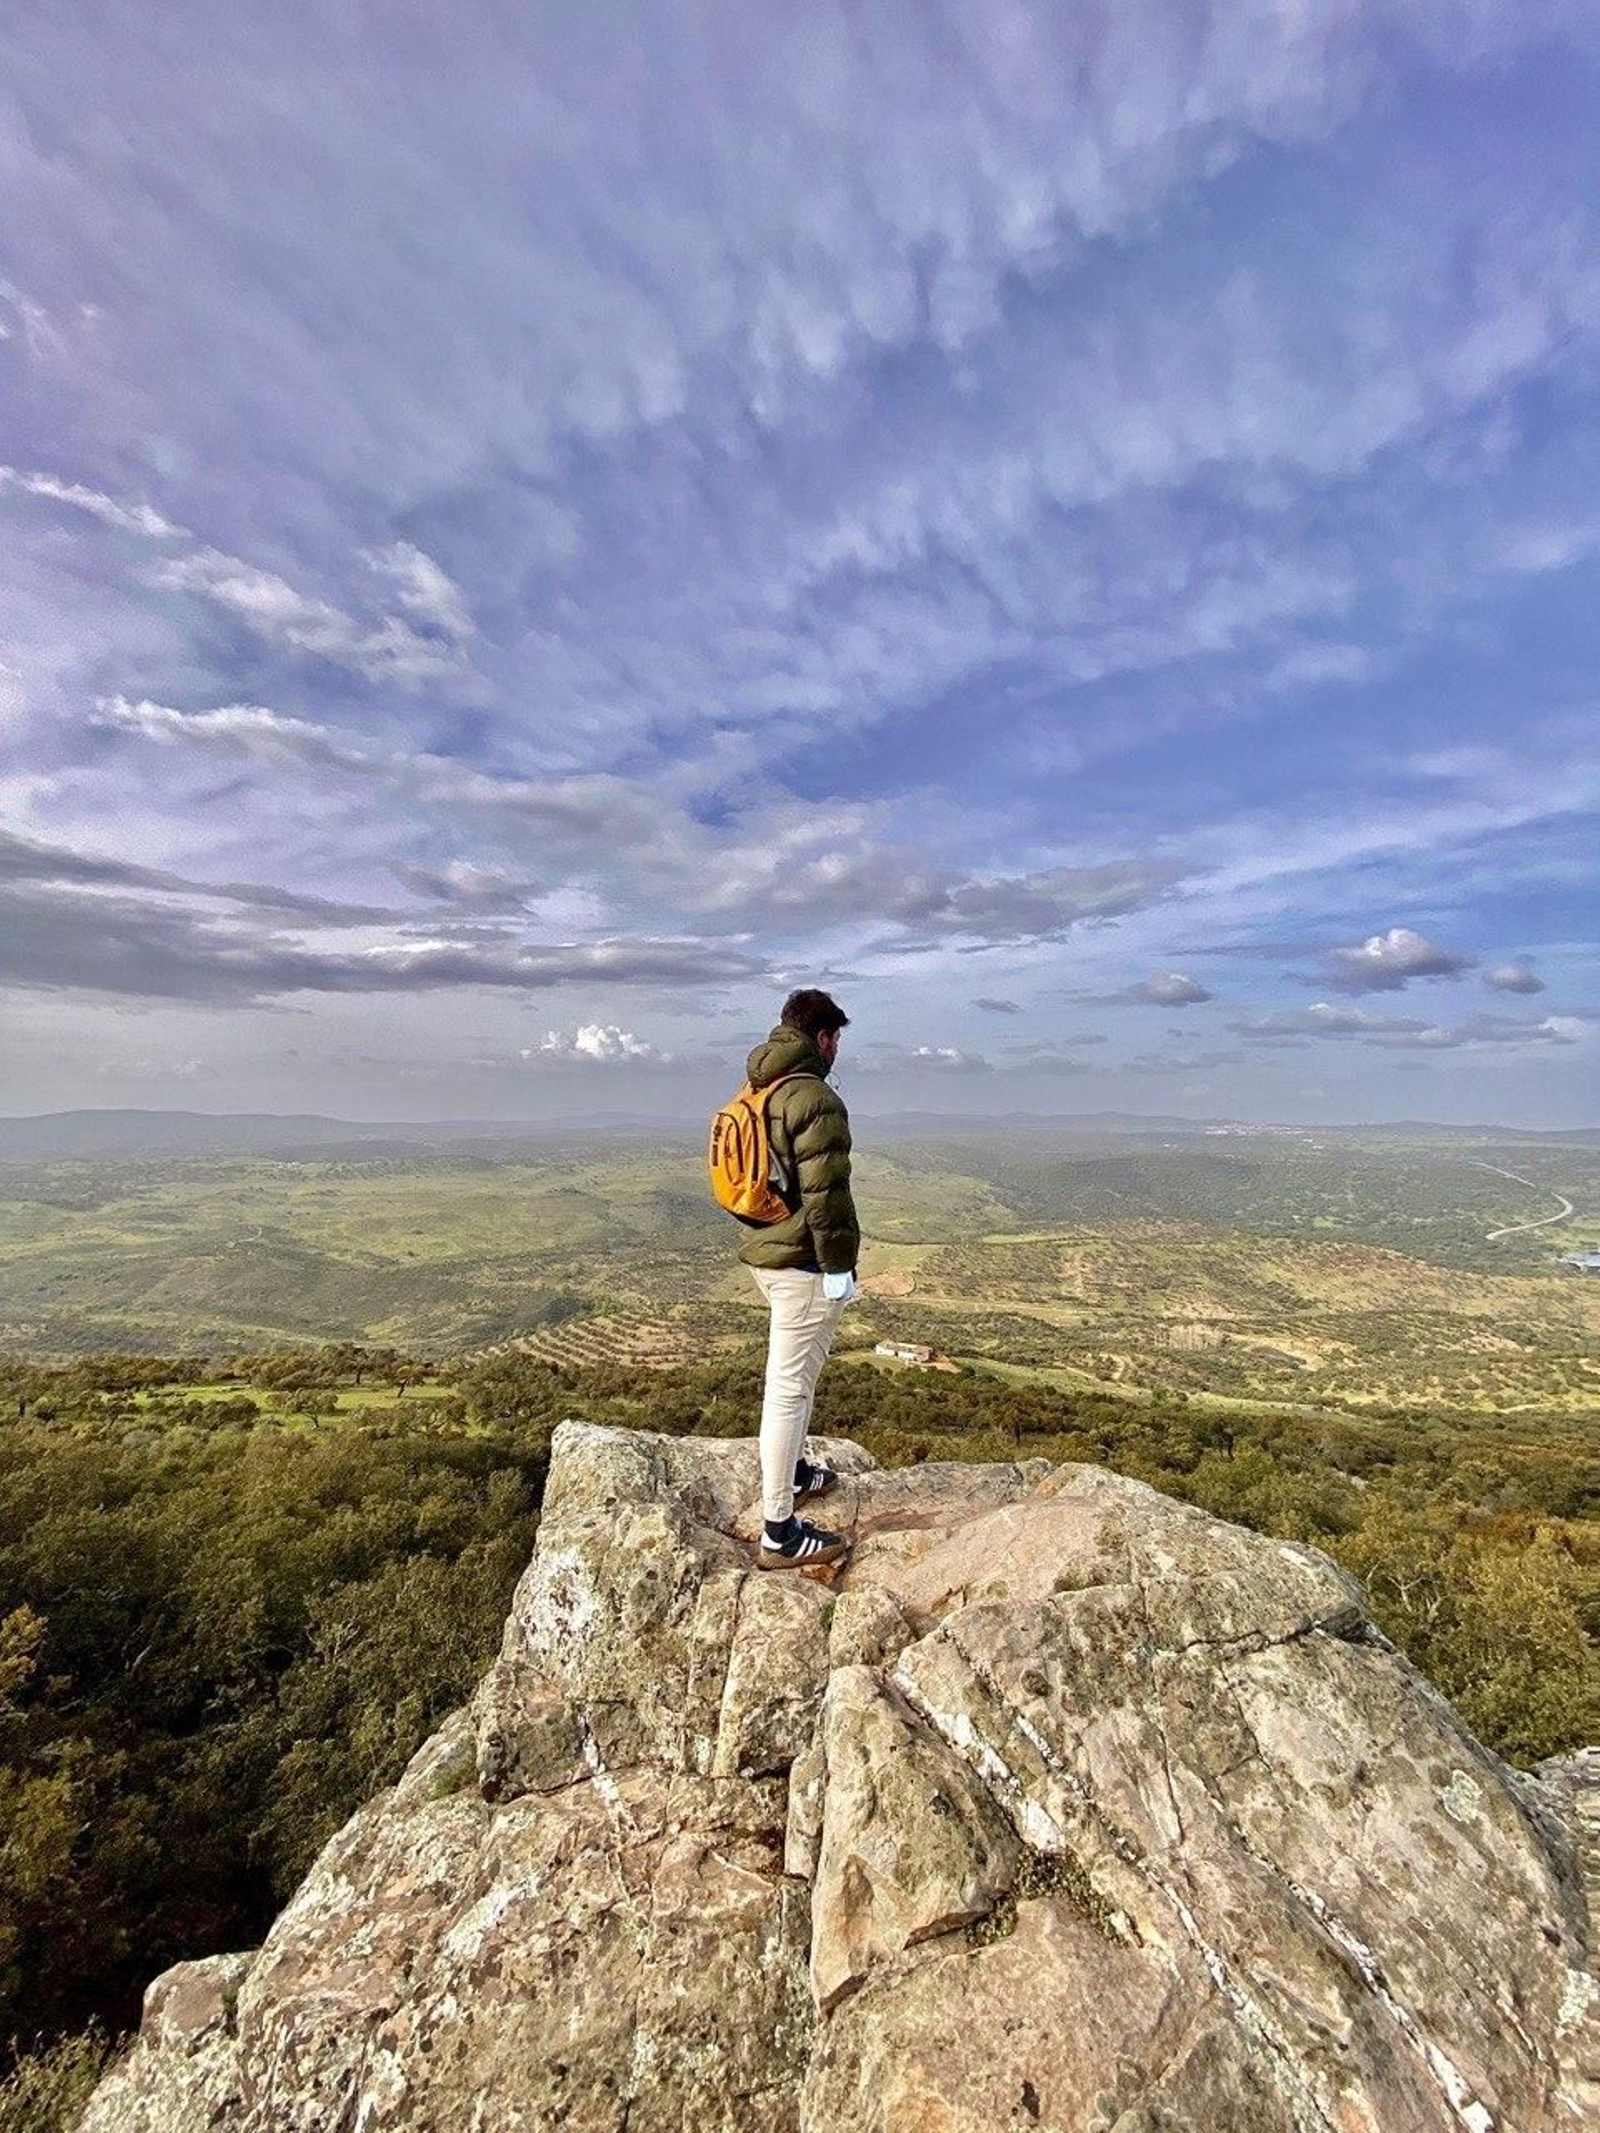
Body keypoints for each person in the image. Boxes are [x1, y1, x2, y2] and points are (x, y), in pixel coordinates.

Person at [736, 988, 860, 1570]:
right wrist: (839, 1267)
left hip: (765, 1255)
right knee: (787, 1390)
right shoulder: (813, 1097)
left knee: (799, 1381)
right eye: (837, 1039)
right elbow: (827, 1197)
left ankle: (798, 1470)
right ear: (824, 1038)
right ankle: (779, 1531)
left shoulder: (759, 1088)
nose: (838, 1049)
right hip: (804, 1265)